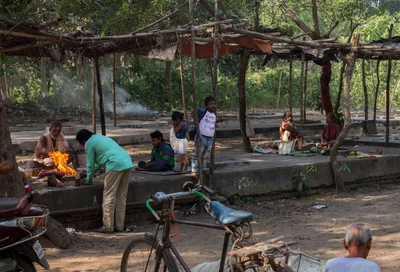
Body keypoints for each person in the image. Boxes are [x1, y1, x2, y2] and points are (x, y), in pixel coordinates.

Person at [75, 129, 133, 233]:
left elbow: (90, 164)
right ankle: (119, 226)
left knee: (109, 196)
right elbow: (98, 163)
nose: (82, 146)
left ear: (83, 140)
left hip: (114, 164)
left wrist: (88, 180)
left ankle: (108, 226)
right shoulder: (99, 138)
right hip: (126, 162)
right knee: (121, 197)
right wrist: (94, 172)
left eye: (81, 143)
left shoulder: (88, 143)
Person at [191, 96, 224, 179]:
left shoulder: (213, 115)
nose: (213, 106)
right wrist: (195, 121)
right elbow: (193, 113)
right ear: (206, 105)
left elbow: (212, 123)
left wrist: (219, 120)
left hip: (210, 138)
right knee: (197, 154)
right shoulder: (203, 112)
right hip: (201, 136)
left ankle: (203, 168)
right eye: (210, 104)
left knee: (205, 155)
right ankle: (194, 170)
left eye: (214, 104)